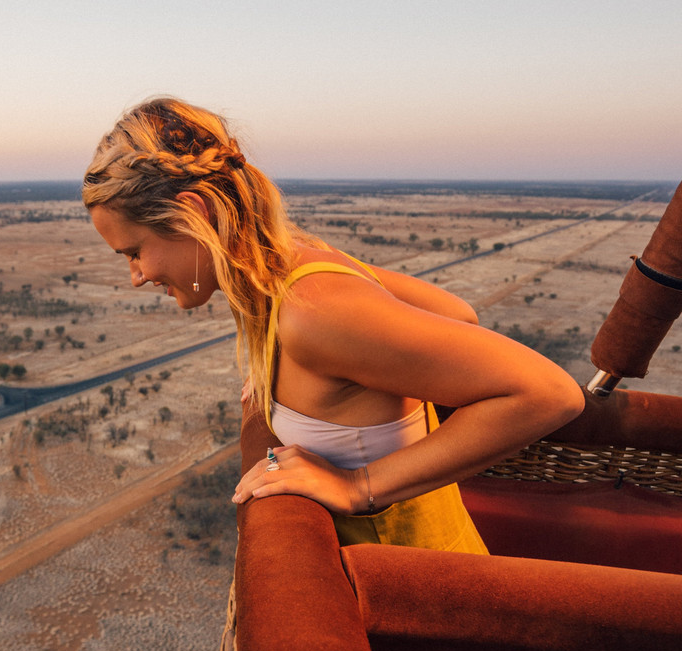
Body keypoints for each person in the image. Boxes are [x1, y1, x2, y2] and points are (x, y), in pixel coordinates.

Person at [82, 97, 585, 553]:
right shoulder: (289, 273)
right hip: (413, 583)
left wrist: (359, 484)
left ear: (194, 212)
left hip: (423, 605)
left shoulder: (312, 310)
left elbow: (549, 394)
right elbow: (456, 317)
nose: (136, 277)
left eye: (134, 252)